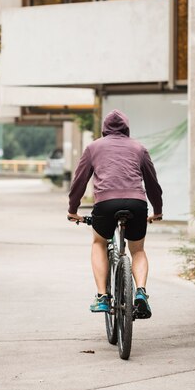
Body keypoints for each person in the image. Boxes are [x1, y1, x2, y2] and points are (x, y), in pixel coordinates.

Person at [67, 109, 163, 319]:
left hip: (105, 204)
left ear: (104, 129)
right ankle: (141, 292)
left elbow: (79, 182)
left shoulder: (93, 147)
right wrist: (157, 210)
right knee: (137, 250)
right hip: (137, 203)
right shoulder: (139, 148)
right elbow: (152, 183)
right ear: (127, 128)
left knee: (99, 243)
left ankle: (102, 297)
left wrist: (73, 209)